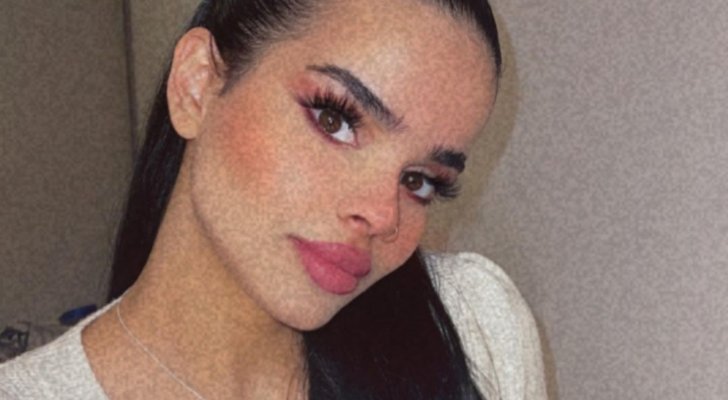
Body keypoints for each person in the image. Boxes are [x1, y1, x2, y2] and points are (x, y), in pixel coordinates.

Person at [0, 0, 546, 398]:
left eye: (420, 181)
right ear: (196, 85)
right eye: (335, 120)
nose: (383, 215)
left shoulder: (474, 325)